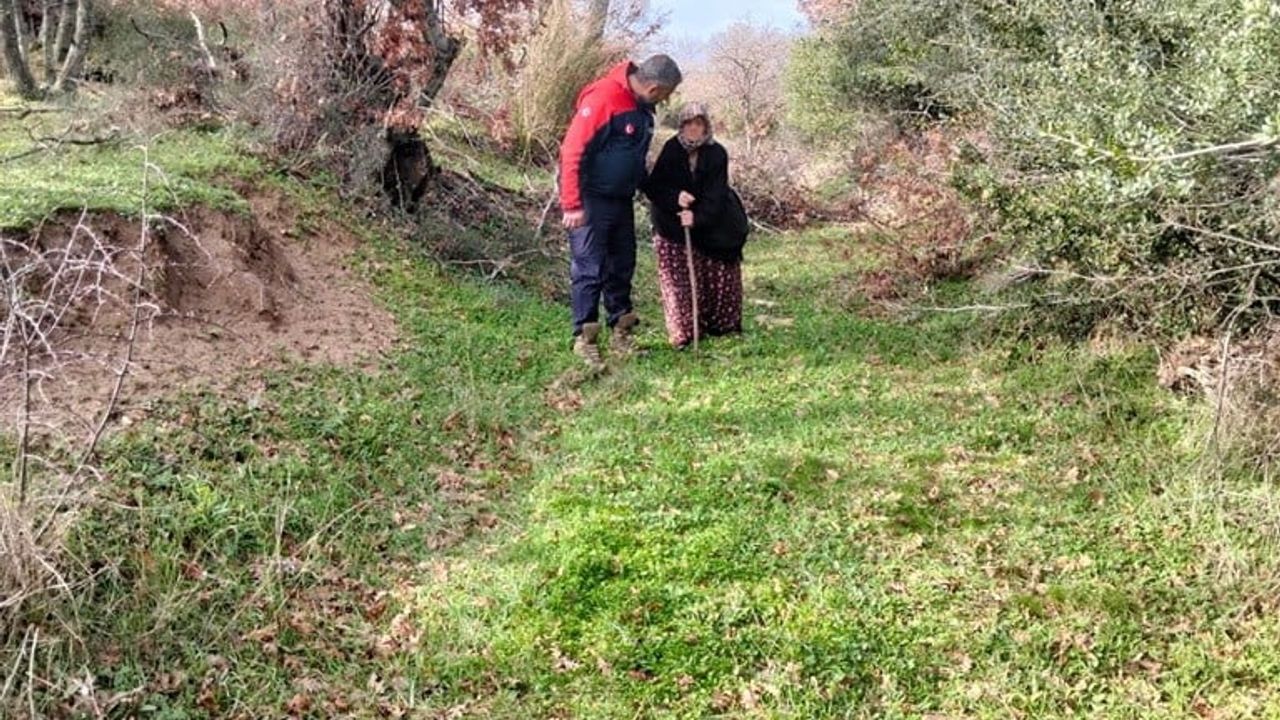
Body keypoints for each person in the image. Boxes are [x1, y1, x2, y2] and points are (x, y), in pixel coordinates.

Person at [559, 54, 683, 370]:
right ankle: (584, 338)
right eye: (665, 96)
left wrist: (665, 196)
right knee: (589, 268)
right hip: (590, 201)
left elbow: (633, 161)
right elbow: (572, 151)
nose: (664, 102)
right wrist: (572, 204)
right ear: (654, 88)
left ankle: (621, 331)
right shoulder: (604, 98)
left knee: (622, 265)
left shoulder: (641, 109)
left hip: (620, 200)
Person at [642, 103, 749, 349]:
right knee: (679, 282)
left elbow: (717, 193)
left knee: (718, 272)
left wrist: (698, 217)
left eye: (698, 124)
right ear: (681, 126)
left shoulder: (717, 153)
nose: (693, 129)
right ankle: (686, 331)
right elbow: (655, 187)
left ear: (706, 127)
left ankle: (721, 326)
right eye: (688, 124)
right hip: (672, 224)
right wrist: (675, 198)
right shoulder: (671, 149)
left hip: (712, 223)